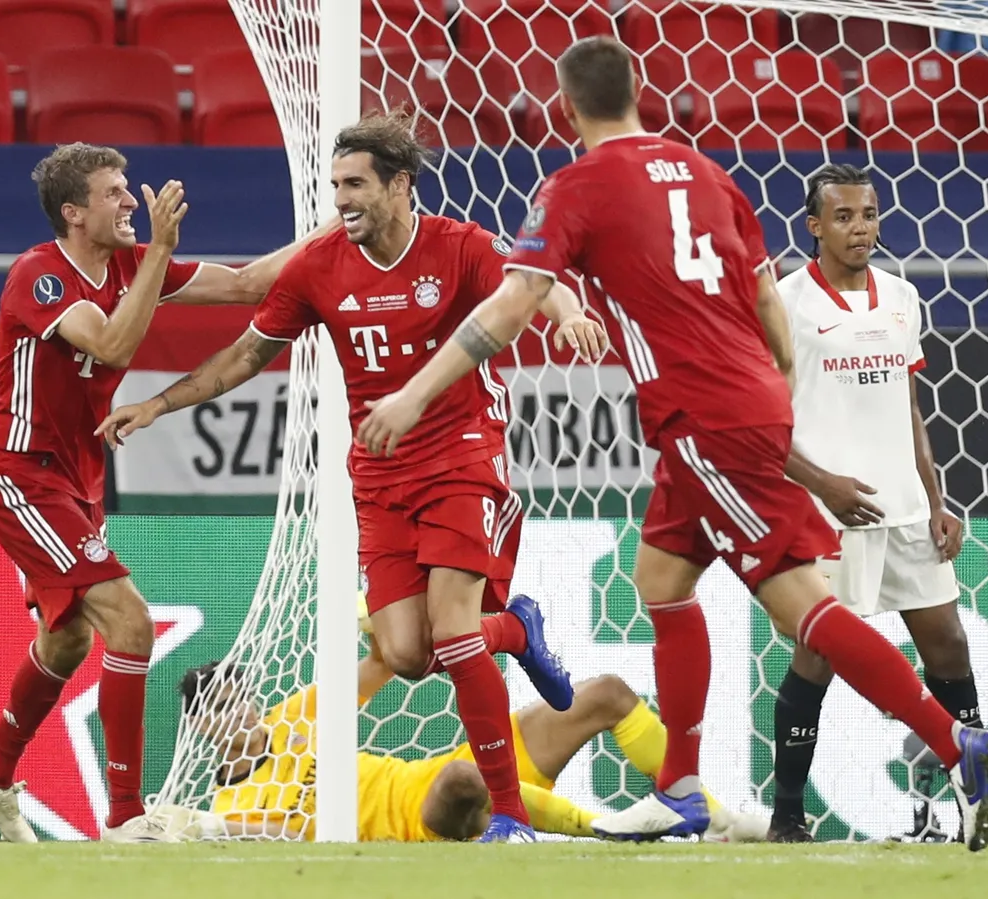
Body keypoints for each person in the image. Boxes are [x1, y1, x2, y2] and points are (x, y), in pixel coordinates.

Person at [356, 36, 988, 851]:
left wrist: (415, 392)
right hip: (725, 411)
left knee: (801, 604)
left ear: (567, 109)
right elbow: (768, 295)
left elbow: (516, 299)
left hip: (706, 418)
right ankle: (682, 786)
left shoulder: (576, 186)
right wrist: (772, 379)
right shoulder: (708, 173)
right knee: (661, 578)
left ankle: (955, 744)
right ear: (639, 96)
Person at [98, 111, 607, 843]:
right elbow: (244, 354)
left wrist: (570, 311)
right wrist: (159, 402)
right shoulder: (319, 265)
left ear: (401, 185)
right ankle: (516, 629)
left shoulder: (458, 246)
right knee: (405, 653)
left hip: (462, 452)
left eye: (357, 183)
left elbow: (532, 282)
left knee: (456, 637)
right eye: (335, 185)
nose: (342, 199)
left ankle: (511, 816)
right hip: (378, 471)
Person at [0, 142, 330, 843]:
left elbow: (250, 283)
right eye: (113, 192)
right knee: (131, 623)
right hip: (20, 473)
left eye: (129, 189)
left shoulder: (129, 263)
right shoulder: (40, 275)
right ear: (73, 213)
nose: (131, 201)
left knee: (65, 641)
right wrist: (159, 251)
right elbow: (115, 345)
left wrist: (334, 226)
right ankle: (127, 815)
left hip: (75, 478)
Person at [767, 163, 988, 845]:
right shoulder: (785, 300)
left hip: (905, 508)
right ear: (813, 225)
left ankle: (981, 809)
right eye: (843, 216)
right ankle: (787, 815)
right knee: (818, 659)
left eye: (868, 214)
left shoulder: (899, 295)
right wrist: (821, 482)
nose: (860, 228)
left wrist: (936, 499)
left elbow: (907, 404)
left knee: (948, 645)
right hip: (829, 514)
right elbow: (760, 419)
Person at [158, 635, 770, 843]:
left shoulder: (296, 718)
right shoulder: (229, 810)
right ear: (202, 729)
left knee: (606, 692)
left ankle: (709, 815)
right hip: (418, 819)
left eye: (241, 695)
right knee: (465, 780)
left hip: (437, 765)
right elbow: (281, 833)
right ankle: (607, 829)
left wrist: (374, 620)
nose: (240, 710)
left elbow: (381, 665)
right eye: (221, 706)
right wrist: (211, 828)